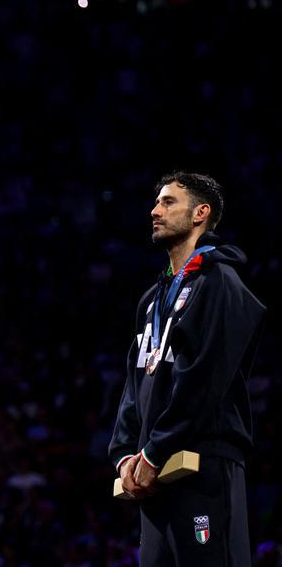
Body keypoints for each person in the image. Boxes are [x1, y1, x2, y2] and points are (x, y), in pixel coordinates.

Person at [109, 173, 266, 566]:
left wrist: (153, 450)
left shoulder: (220, 283)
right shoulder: (152, 299)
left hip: (202, 464)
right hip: (155, 474)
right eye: (156, 202)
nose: (154, 211)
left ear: (200, 213)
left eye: (167, 203)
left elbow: (204, 378)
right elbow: (135, 380)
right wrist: (127, 453)